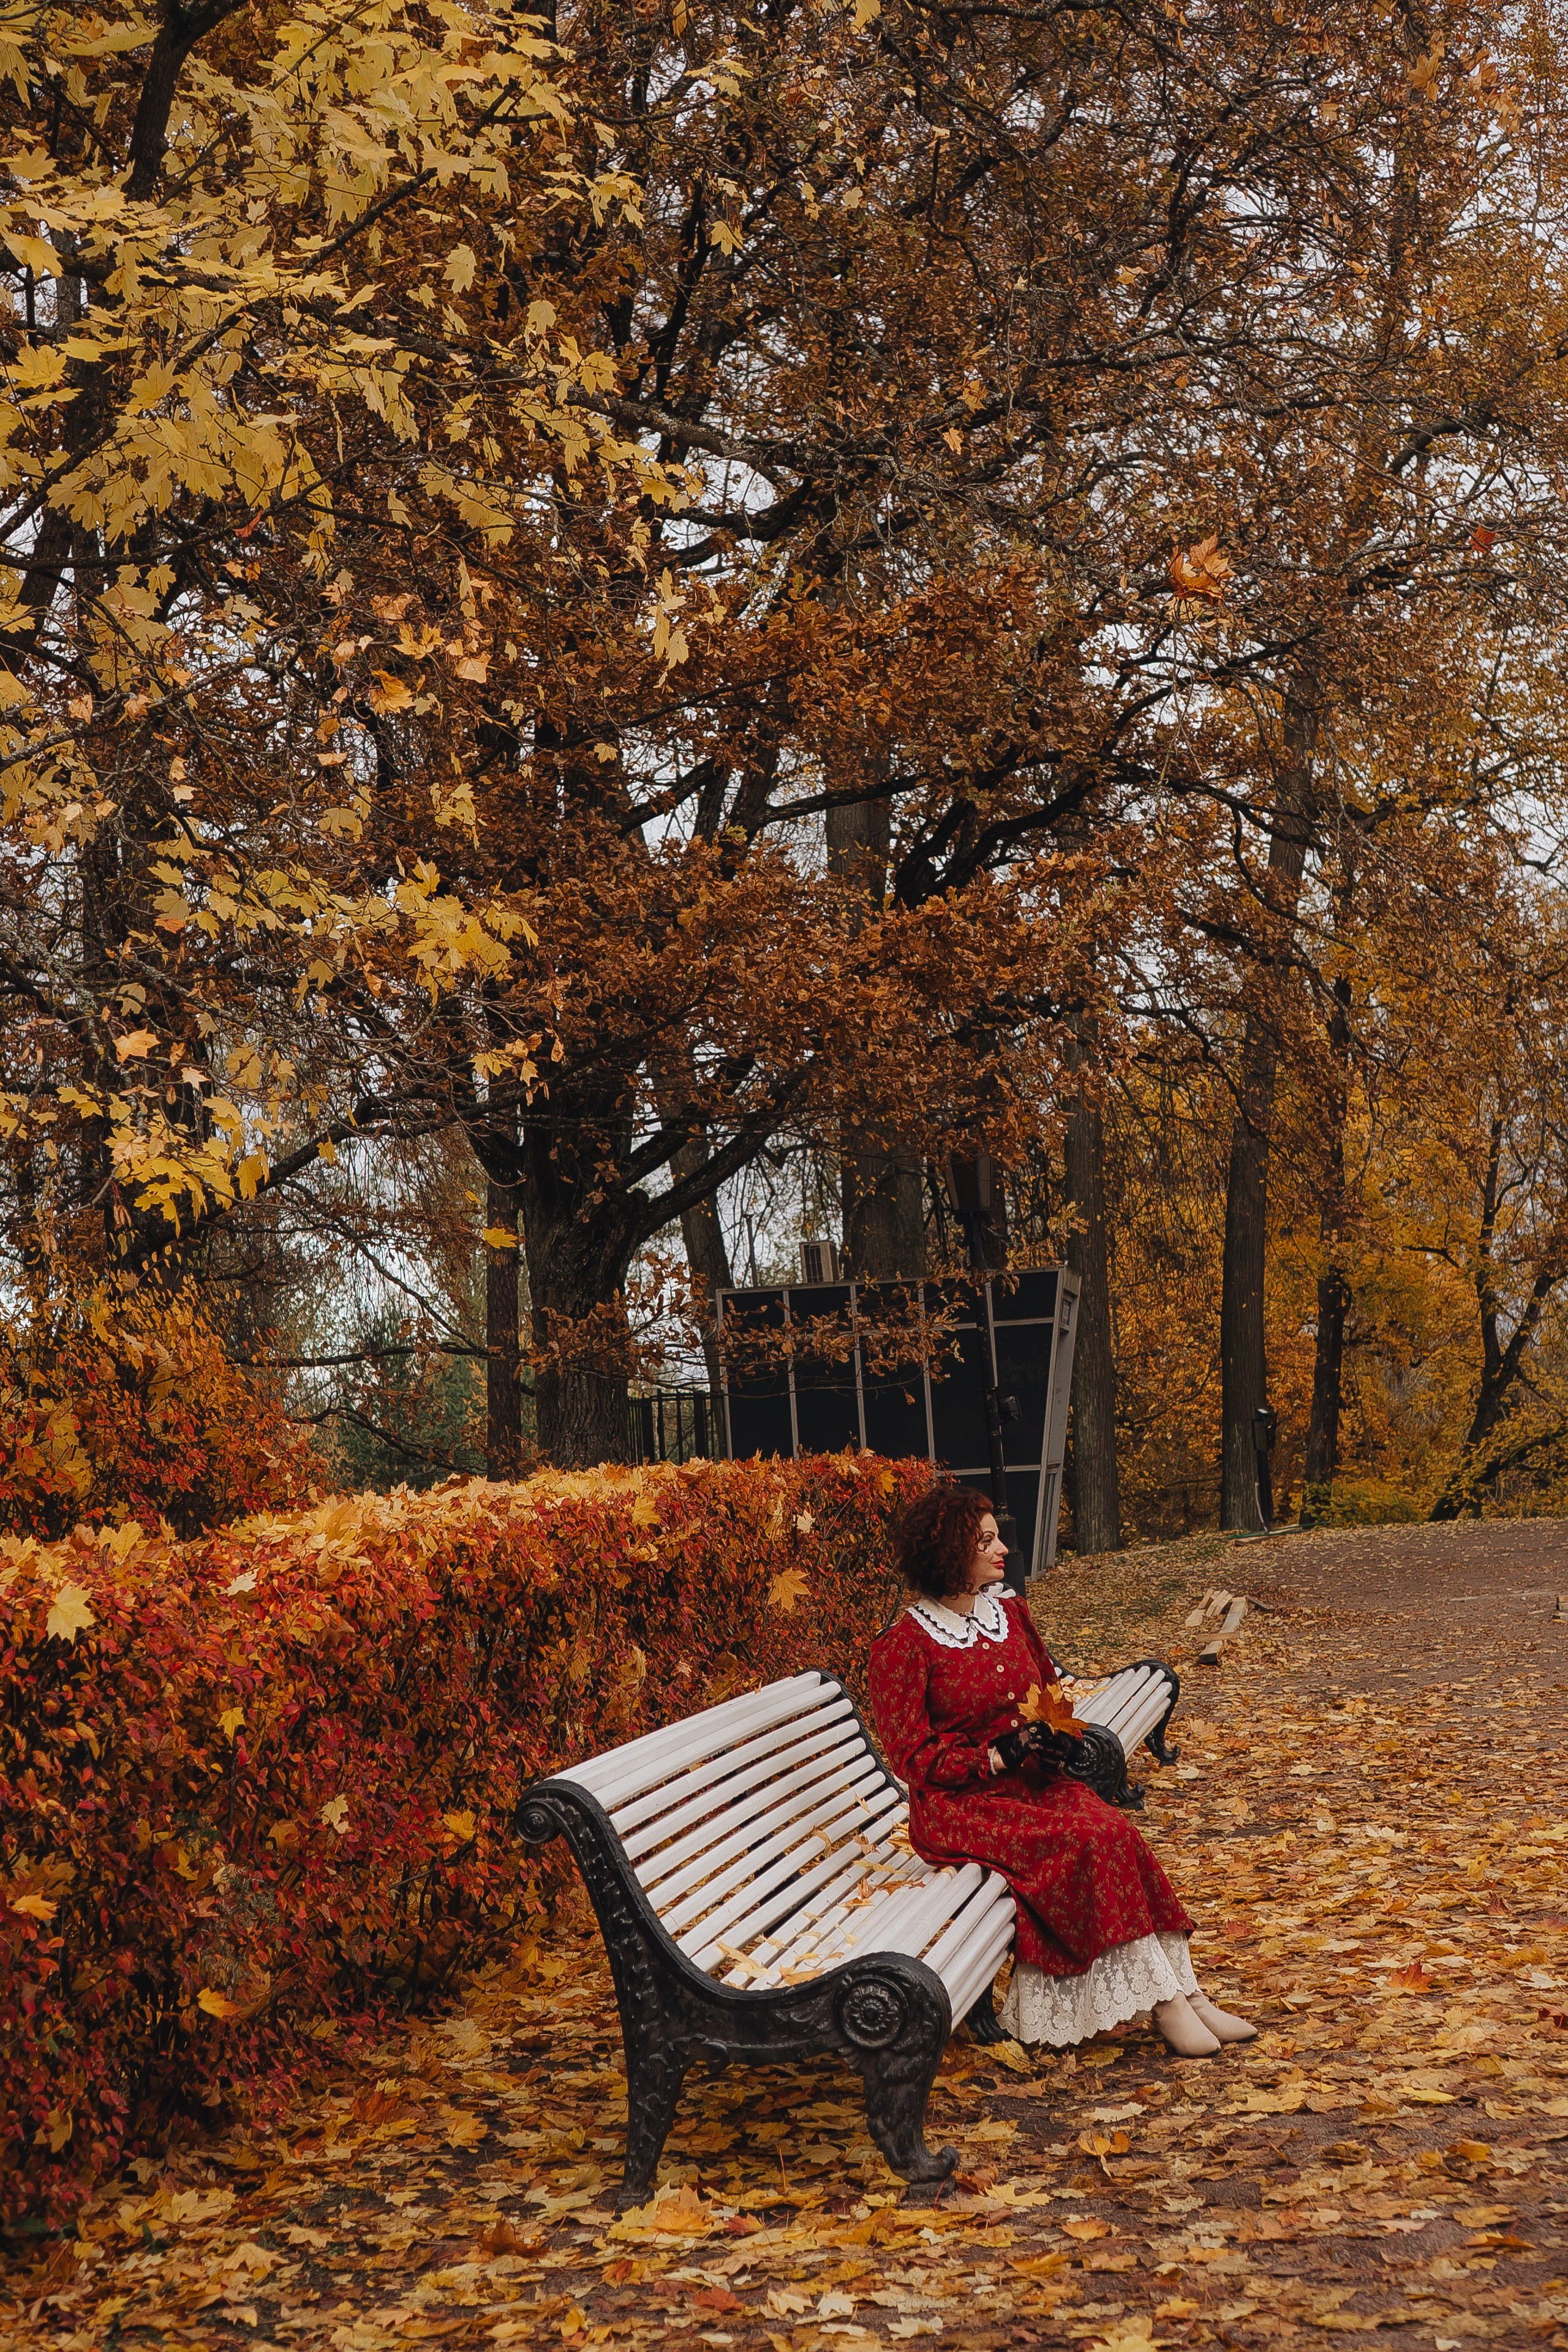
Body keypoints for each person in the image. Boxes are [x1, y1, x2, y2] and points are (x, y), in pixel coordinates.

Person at [867, 1484, 1256, 2056]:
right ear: (951, 1553)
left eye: (997, 1536)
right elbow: (912, 1759)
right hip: (960, 1807)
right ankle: (1167, 2003)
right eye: (986, 1541)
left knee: (1115, 1829)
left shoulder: (1009, 1614)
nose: (1003, 1549)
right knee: (1086, 1838)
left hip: (1033, 1784)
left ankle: (1187, 1992)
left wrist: (1051, 1739)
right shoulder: (904, 1646)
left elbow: (1049, 1690)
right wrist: (996, 1756)